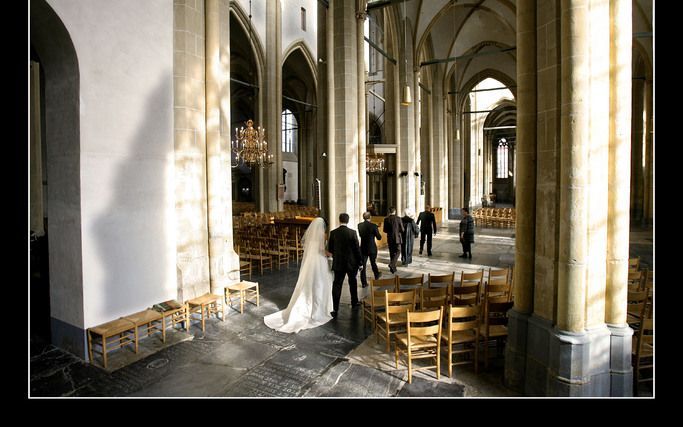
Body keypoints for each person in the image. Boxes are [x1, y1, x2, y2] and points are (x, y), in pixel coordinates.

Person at [264, 217, 334, 333]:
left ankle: (310, 304)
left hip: (311, 261)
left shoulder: (311, 235)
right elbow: (321, 250)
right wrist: (330, 254)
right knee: (320, 284)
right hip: (319, 261)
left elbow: (309, 247)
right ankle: (319, 310)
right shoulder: (323, 235)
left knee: (309, 282)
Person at [327, 213, 363, 318]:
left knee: (337, 284)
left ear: (339, 220)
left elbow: (330, 249)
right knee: (353, 282)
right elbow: (357, 249)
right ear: (348, 220)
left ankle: (335, 307)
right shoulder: (352, 233)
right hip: (352, 263)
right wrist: (360, 263)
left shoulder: (333, 233)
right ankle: (354, 302)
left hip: (338, 263)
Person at [358, 211, 382, 288]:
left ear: (363, 217)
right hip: (372, 247)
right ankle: (376, 274)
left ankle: (364, 283)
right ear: (370, 217)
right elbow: (379, 237)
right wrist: (376, 230)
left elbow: (361, 235)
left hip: (363, 248)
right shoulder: (373, 226)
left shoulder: (359, 225)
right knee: (373, 262)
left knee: (363, 266)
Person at [383, 206, 404, 274]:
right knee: (398, 251)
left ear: (389, 212)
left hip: (390, 238)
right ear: (395, 211)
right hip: (397, 237)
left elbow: (385, 230)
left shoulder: (386, 219)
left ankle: (393, 269)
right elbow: (402, 229)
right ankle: (392, 264)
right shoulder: (398, 218)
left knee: (391, 253)